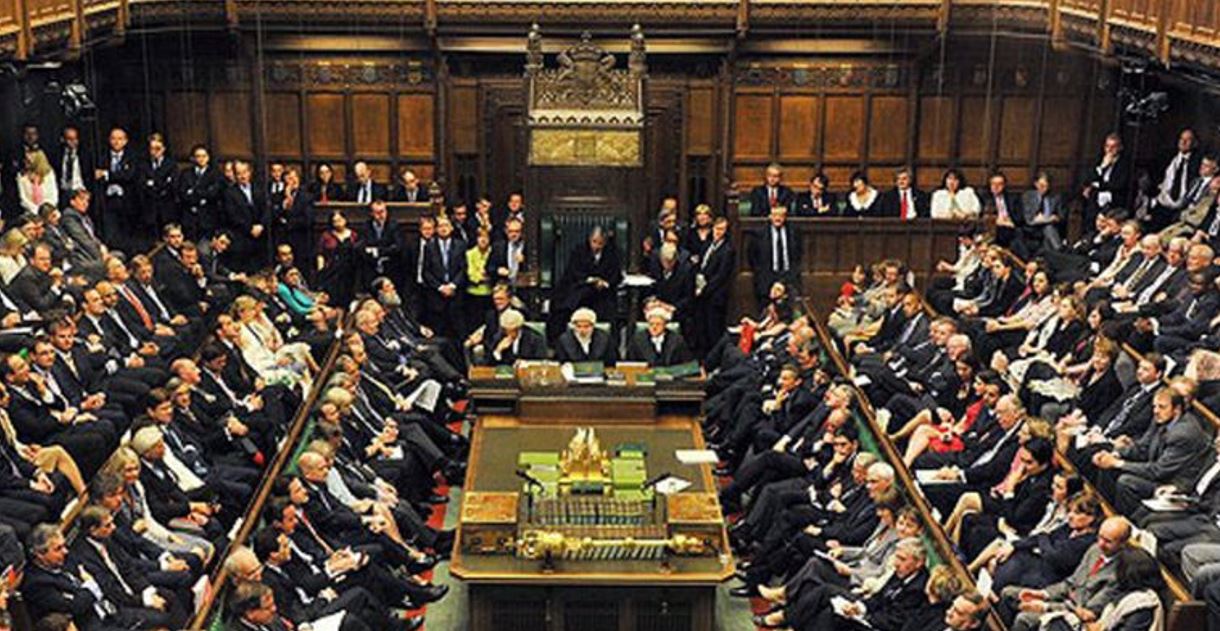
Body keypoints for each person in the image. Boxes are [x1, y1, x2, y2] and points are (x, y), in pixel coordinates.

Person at [421, 216, 467, 339]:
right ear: (436, 229)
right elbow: (426, 272)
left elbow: (463, 269)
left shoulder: (461, 245)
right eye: (440, 226)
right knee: (439, 333)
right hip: (437, 296)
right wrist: (440, 287)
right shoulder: (429, 247)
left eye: (446, 225)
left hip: (456, 295)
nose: (443, 229)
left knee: (458, 333)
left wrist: (452, 285)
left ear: (451, 228)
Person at [221, 161, 268, 272]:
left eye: (245, 172)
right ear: (235, 175)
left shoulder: (260, 188)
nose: (243, 176)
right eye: (239, 173)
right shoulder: (229, 193)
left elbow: (267, 209)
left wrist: (261, 225)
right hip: (242, 238)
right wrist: (250, 228)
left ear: (250, 172)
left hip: (262, 237)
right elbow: (232, 216)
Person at [750, 205, 801, 307]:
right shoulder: (759, 234)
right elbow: (753, 257)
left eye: (781, 215)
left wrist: (785, 280)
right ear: (770, 216)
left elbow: (798, 255)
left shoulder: (793, 232)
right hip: (766, 280)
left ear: (785, 217)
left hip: (788, 279)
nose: (778, 218)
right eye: (775, 215)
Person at [271, 167, 314, 278]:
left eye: (295, 177)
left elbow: (308, 219)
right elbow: (274, 217)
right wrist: (283, 207)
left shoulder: (306, 197)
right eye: (289, 178)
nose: (293, 180)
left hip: (300, 240)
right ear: (284, 181)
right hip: (283, 239)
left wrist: (287, 223)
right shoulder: (277, 197)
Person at [176, 144, 224, 240]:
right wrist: (203, 195)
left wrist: (193, 191)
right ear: (193, 158)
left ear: (208, 158)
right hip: (189, 218)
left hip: (208, 218)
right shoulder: (186, 173)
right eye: (198, 156)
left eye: (204, 156)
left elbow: (213, 193)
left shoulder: (215, 174)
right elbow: (182, 194)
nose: (201, 159)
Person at [317, 210, 359, 309]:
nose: (337, 223)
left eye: (339, 220)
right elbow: (320, 253)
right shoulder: (326, 236)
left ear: (345, 220)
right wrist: (321, 270)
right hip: (332, 270)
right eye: (334, 221)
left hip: (349, 271)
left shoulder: (353, 235)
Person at [626, 307, 692, 367]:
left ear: (665, 325)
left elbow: (687, 364)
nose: (654, 327)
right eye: (651, 324)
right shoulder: (637, 340)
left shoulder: (677, 340)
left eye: (658, 324)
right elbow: (630, 364)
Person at [465, 227, 493, 334]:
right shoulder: (469, 254)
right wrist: (482, 277)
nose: (483, 240)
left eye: (486, 237)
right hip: (473, 293)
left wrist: (487, 276)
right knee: (474, 323)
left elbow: (493, 272)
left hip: (490, 293)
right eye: (480, 236)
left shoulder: (493, 252)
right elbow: (470, 274)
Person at [17, 150, 57, 215]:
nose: (26, 161)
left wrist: (46, 210)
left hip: (49, 211)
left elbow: (54, 196)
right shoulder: (21, 176)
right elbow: (23, 199)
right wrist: (37, 210)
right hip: (31, 212)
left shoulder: (49, 174)